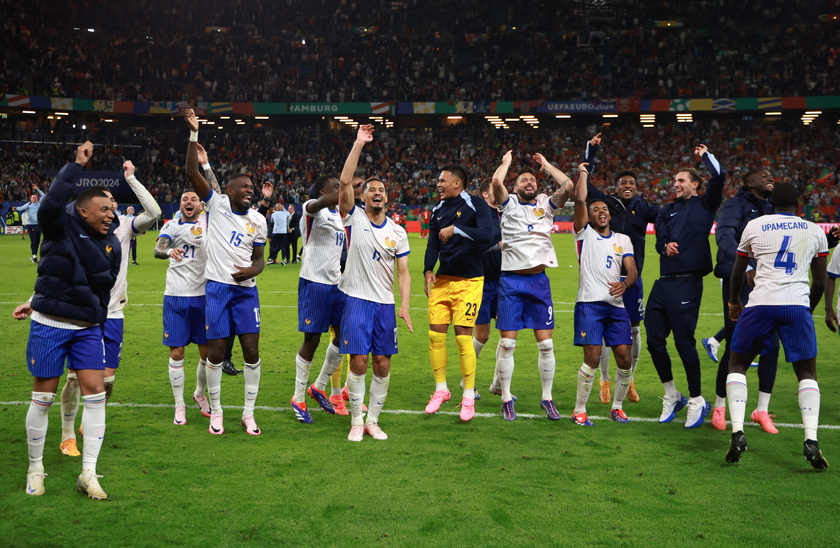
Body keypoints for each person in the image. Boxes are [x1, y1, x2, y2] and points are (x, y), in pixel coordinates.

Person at [16, 141, 120, 499]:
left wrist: (98, 320)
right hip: (50, 325)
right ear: (83, 211)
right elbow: (49, 206)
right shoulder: (59, 228)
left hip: (88, 328)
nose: (111, 214)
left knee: (95, 395)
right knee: (42, 399)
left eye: (113, 208)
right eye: (104, 208)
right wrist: (75, 166)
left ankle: (88, 473)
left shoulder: (113, 244)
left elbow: (102, 289)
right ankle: (35, 469)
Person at [58, 160, 161, 457]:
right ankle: (68, 433)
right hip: (81, 315)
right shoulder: (76, 233)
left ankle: (88, 421)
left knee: (107, 381)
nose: (111, 208)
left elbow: (154, 213)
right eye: (104, 204)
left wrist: (132, 180)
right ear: (89, 209)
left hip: (113, 314)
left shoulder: (125, 227)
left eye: (113, 203)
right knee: (75, 378)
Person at [724, 182, 828, 470]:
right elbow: (819, 282)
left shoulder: (755, 226)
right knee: (807, 373)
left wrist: (734, 300)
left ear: (771, 203)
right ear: (799, 203)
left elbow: (737, 272)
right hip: (796, 304)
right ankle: (811, 439)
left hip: (760, 304)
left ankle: (738, 433)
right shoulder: (815, 231)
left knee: (737, 366)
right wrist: (808, 308)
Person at [184, 108, 267, 436]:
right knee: (216, 353)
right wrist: (194, 133)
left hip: (247, 293)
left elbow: (261, 259)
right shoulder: (216, 204)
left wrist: (253, 270)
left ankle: (248, 413)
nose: (250, 189)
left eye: (252, 186)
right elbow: (192, 172)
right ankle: (216, 411)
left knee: (251, 351)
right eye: (244, 186)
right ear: (229, 190)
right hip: (217, 290)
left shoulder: (258, 220)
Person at [338, 124, 412, 441]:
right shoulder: (353, 217)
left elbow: (405, 272)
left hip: (384, 304)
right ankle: (356, 420)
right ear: (362, 196)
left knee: (382, 364)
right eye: (371, 190)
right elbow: (343, 181)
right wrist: (358, 143)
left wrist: (405, 305)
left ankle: (373, 420)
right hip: (355, 299)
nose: (377, 192)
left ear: (387, 197)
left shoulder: (398, 232)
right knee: (358, 361)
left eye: (382, 189)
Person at [490, 150, 574, 421]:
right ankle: (505, 398)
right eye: (524, 180)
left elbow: (568, 186)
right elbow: (495, 183)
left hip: (539, 281)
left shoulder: (546, 204)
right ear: (515, 187)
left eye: (532, 180)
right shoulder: (508, 203)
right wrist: (506, 164)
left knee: (546, 345)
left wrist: (547, 165)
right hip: (511, 281)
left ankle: (547, 399)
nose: (529, 182)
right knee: (507, 344)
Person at [646, 144, 725, 428]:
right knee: (654, 341)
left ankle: (695, 399)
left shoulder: (705, 204)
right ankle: (672, 395)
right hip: (663, 283)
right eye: (675, 181)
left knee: (683, 343)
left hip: (688, 282)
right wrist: (664, 246)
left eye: (681, 181)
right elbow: (658, 241)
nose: (675, 184)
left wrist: (704, 156)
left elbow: (719, 175)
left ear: (695, 185)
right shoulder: (665, 211)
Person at [584, 134, 660, 405]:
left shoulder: (645, 208)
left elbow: (667, 220)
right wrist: (591, 153)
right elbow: (586, 183)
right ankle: (605, 380)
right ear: (615, 188)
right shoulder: (607, 203)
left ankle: (628, 380)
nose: (627, 186)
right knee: (606, 331)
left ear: (636, 188)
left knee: (634, 329)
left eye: (631, 183)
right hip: (604, 278)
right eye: (623, 183)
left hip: (631, 278)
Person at [423, 164, 497, 421]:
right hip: (443, 280)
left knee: (463, 339)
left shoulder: (477, 204)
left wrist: (457, 229)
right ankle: (441, 390)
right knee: (435, 335)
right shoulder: (437, 210)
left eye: (442, 180)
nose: (438, 184)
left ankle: (468, 396)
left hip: (470, 281)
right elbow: (433, 242)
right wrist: (427, 270)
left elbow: (490, 234)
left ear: (457, 183)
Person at [710, 168, 779, 432]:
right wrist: (748, 265)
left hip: (769, 282)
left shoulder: (773, 208)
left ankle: (761, 410)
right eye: (764, 175)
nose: (770, 177)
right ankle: (719, 405)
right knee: (735, 344)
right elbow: (725, 238)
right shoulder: (735, 205)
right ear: (750, 183)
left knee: (771, 345)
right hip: (740, 280)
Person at [570, 163, 638, 425]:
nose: (601, 212)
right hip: (589, 304)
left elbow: (631, 270)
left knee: (624, 358)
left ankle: (617, 407)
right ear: (588, 216)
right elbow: (579, 199)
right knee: (593, 359)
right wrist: (584, 174)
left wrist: (626, 283)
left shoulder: (623, 239)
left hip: (616, 306)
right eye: (595, 209)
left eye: (605, 209)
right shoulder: (584, 234)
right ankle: (579, 410)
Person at [289, 175, 347, 423]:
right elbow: (319, 203)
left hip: (337, 284)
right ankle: (298, 397)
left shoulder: (340, 216)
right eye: (336, 186)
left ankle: (319, 386)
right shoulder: (312, 210)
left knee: (345, 336)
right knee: (312, 340)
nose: (340, 189)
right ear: (323, 191)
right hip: (314, 283)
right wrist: (347, 190)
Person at [154, 190, 210, 425]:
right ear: (180, 205)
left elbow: (214, 193)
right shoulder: (171, 226)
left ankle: (199, 393)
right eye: (185, 199)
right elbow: (158, 249)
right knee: (177, 353)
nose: (189, 202)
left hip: (204, 296)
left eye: (194, 199)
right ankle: (179, 405)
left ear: (201, 205)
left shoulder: (209, 224)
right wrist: (169, 251)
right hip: (176, 296)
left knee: (207, 354)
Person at [473, 180, 503, 395]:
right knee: (482, 335)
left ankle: (498, 383)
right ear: (485, 194)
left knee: (507, 334)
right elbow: (475, 248)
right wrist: (498, 246)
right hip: (482, 282)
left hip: (505, 282)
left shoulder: (507, 213)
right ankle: (468, 383)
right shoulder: (478, 216)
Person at [16, 184, 46, 263]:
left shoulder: (39, 204)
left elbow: (44, 196)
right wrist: (15, 208)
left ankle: (34, 256)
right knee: (33, 240)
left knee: (38, 241)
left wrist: (37, 189)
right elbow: (21, 208)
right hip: (31, 225)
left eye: (36, 197)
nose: (35, 198)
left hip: (38, 225)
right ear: (30, 199)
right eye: (33, 197)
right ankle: (34, 255)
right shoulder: (28, 205)